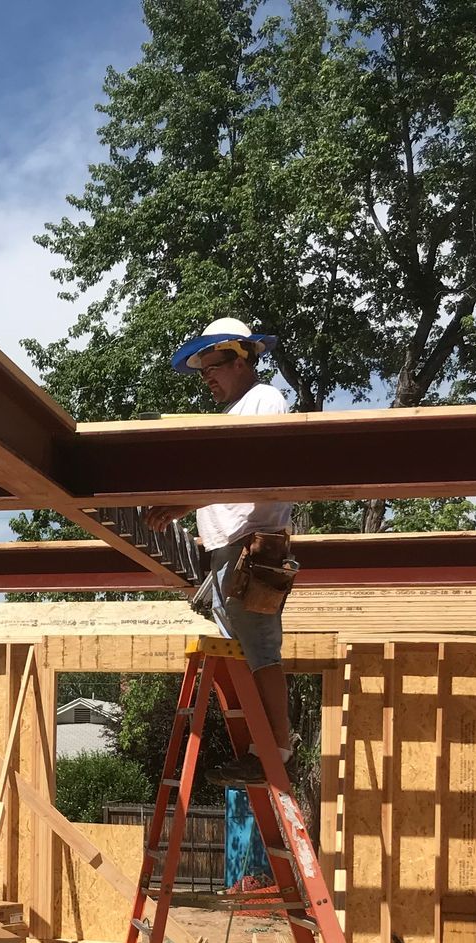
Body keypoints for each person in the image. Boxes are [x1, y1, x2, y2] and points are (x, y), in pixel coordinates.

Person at [144, 316, 294, 784]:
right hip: (226, 552)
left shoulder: (264, 399)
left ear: (243, 358)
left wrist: (182, 504)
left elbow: (252, 474)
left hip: (252, 549)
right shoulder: (232, 415)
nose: (206, 376)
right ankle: (261, 748)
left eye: (212, 365)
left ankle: (278, 748)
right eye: (202, 369)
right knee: (244, 653)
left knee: (262, 650)